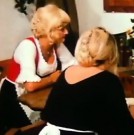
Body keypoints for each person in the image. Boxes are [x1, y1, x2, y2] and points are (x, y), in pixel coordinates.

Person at [39, 27, 134, 135]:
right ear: (111, 53)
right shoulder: (108, 81)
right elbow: (124, 130)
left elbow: (48, 114)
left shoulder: (66, 72)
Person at [0, 4, 78, 134]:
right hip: (15, 99)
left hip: (37, 96)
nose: (67, 32)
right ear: (50, 31)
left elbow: (72, 65)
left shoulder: (57, 45)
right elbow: (30, 86)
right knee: (38, 129)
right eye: (62, 28)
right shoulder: (28, 46)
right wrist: (52, 79)